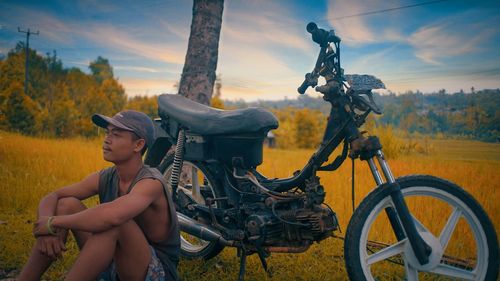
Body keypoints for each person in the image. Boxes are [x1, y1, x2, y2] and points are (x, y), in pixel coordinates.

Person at [18, 110, 180, 281]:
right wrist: (45, 230)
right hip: (114, 262)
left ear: (138, 145)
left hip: (155, 272)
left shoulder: (150, 183)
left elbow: (113, 217)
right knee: (66, 204)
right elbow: (54, 196)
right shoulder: (107, 176)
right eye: (107, 133)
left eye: (116, 135)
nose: (107, 139)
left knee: (116, 223)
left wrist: (53, 222)